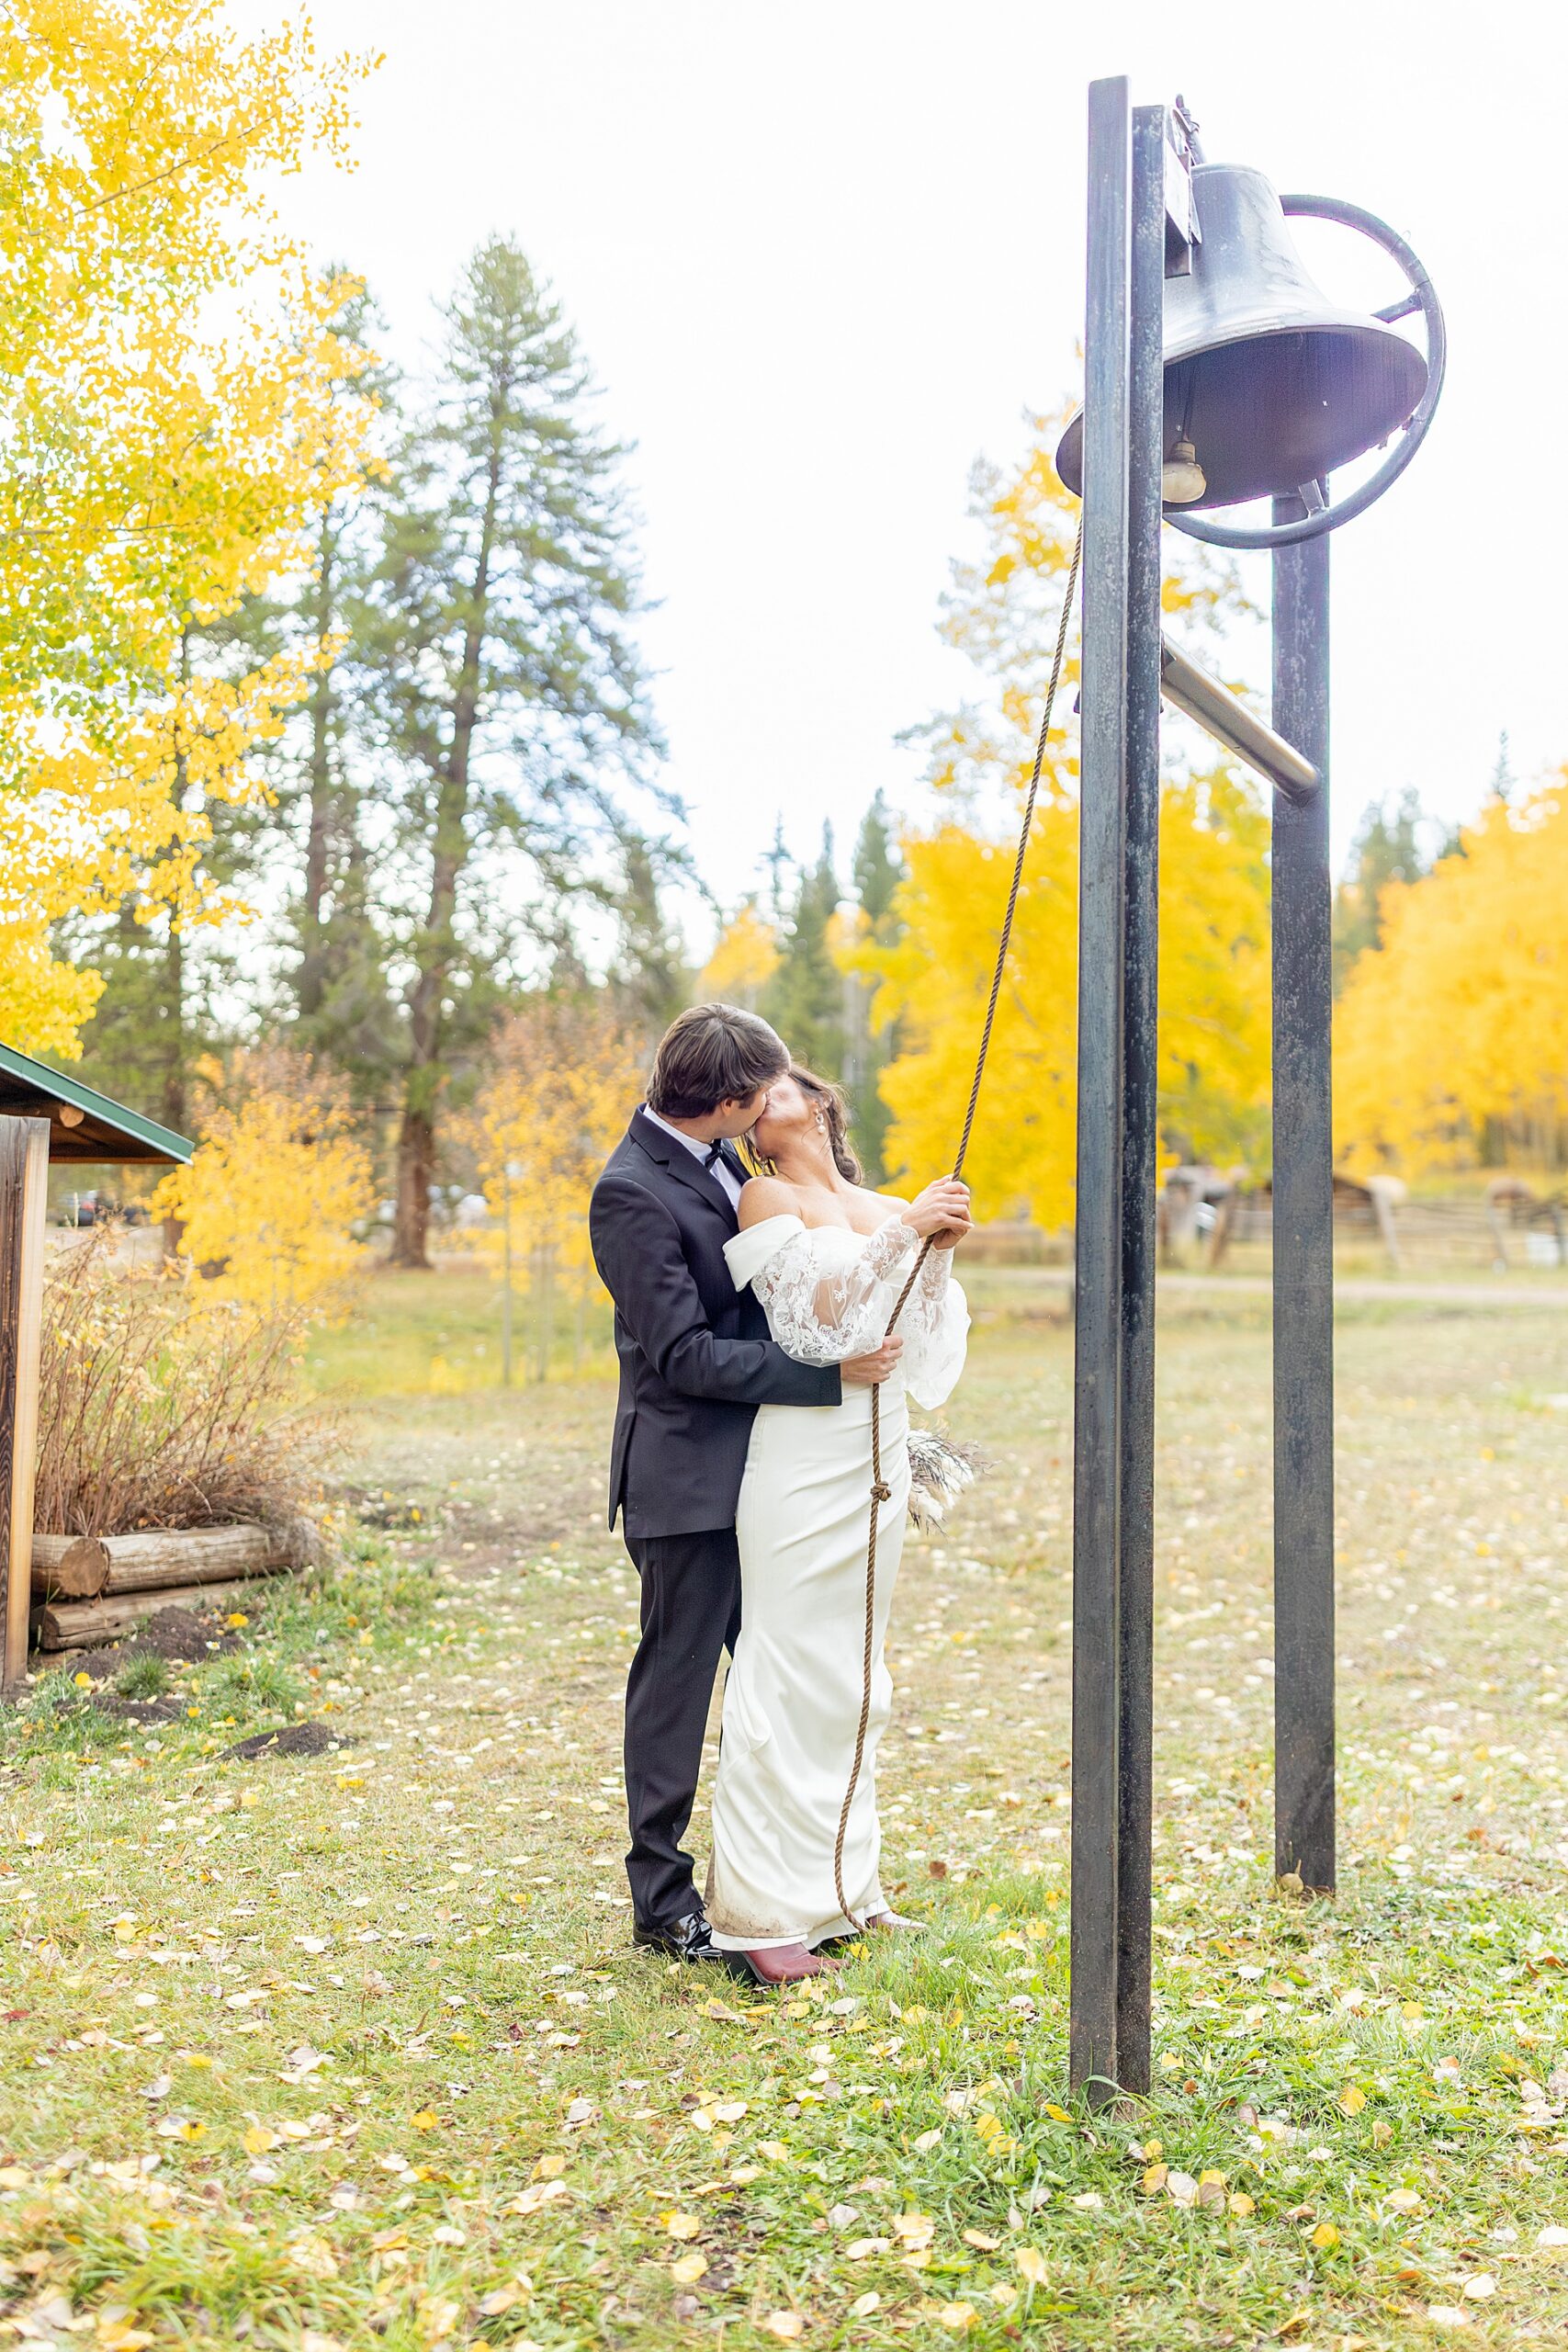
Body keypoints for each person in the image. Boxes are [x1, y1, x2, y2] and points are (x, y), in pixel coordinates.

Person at [589, 1005, 903, 1966]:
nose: (774, 1100)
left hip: (779, 1474)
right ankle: (663, 1901)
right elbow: (680, 1353)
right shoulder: (630, 1192)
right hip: (687, 1478)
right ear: (723, 1102)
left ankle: (801, 1887)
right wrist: (827, 1375)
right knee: (679, 1685)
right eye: (759, 1090)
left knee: (785, 1684)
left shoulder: (731, 1162)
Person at [703, 1067, 971, 1983]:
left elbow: (920, 1345)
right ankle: (758, 1915)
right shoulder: (762, 1193)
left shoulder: (884, 1199)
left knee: (857, 1676)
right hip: (802, 1453)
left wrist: (934, 1250)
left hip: (880, 1446)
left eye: (773, 1083)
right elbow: (811, 1325)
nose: (755, 1096)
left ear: (816, 1101)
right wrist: (905, 1233)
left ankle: (849, 1892)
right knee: (785, 1665)